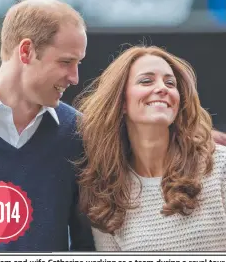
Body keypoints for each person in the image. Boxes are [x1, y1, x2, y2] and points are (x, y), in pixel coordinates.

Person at [0, 0, 94, 251]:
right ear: (26, 51)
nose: (75, 77)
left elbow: (87, 243)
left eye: (78, 63)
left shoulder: (79, 133)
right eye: (66, 62)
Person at [75, 45, 226, 251]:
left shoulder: (220, 167)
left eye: (170, 83)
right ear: (122, 103)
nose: (163, 88)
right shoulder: (107, 193)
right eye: (146, 81)